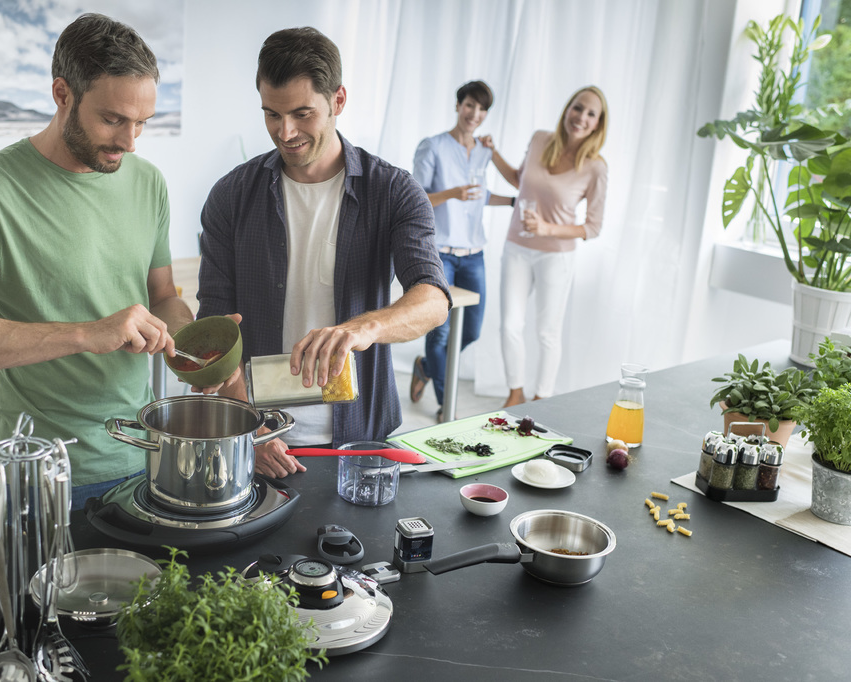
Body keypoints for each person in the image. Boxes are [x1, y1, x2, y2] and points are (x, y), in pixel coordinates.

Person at [0, 13, 230, 509]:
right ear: (63, 94)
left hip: (142, 455)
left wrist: (190, 347)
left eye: (142, 123)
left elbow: (162, 296)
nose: (129, 141)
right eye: (112, 119)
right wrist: (86, 333)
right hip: (39, 470)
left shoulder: (148, 183)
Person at [198, 26, 451, 478]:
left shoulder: (393, 191)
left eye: (301, 113)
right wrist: (245, 429)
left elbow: (432, 299)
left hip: (360, 441)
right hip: (255, 439)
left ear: (338, 101)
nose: (285, 131)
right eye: (271, 114)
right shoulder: (231, 195)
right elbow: (214, 326)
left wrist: (364, 328)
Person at [482, 85, 609, 406]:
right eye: (577, 108)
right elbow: (519, 179)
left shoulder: (595, 167)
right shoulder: (540, 140)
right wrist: (492, 151)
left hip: (556, 256)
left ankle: (544, 400)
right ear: (567, 109)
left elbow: (593, 227)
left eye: (590, 114)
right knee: (510, 324)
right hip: (517, 248)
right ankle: (515, 393)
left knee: (547, 333)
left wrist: (547, 227)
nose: (581, 117)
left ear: (598, 123)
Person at [409, 80, 514, 422]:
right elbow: (416, 197)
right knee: (440, 332)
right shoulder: (434, 146)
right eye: (470, 105)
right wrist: (451, 193)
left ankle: (425, 367)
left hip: (474, 254)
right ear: (458, 106)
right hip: (440, 252)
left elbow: (481, 196)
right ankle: (447, 408)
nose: (475, 114)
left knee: (471, 330)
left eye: (482, 109)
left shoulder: (485, 151)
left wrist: (514, 200)